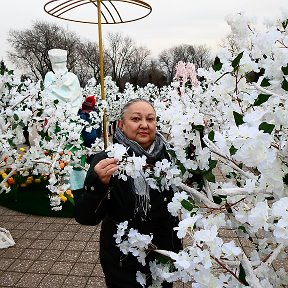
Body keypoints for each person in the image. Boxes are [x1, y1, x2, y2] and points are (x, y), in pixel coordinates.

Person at [75, 98, 182, 287]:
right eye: (136, 119)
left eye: (150, 119)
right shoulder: (107, 161)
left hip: (164, 254)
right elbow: (86, 217)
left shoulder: (172, 157)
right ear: (122, 125)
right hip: (123, 261)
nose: (144, 125)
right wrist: (99, 184)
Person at [43, 48, 83, 115]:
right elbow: (78, 100)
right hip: (72, 117)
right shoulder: (73, 77)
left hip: (53, 116)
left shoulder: (49, 77)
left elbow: (46, 98)